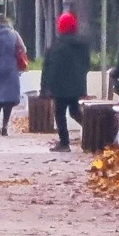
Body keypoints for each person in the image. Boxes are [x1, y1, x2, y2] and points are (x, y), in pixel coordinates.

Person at [40, 12, 90, 152]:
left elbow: (48, 68)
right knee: (75, 111)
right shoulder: (82, 45)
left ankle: (64, 143)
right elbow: (87, 64)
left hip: (59, 88)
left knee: (60, 113)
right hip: (76, 86)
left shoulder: (56, 46)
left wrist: (44, 89)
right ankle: (92, 131)